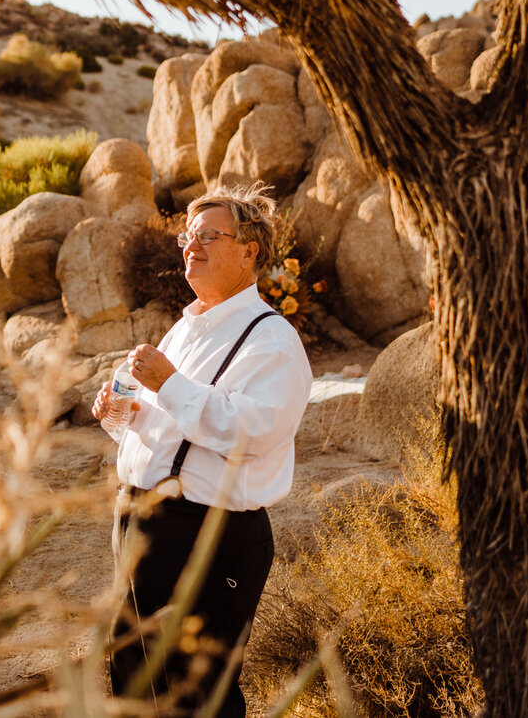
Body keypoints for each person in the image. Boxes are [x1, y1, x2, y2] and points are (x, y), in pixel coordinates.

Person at [92, 184, 311, 717]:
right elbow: (174, 431)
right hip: (143, 521)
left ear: (249, 250)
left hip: (210, 535)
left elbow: (252, 431)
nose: (192, 246)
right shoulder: (186, 330)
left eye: (209, 236)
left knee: (196, 691)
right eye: (188, 237)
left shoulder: (272, 339)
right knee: (132, 672)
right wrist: (124, 415)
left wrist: (167, 384)